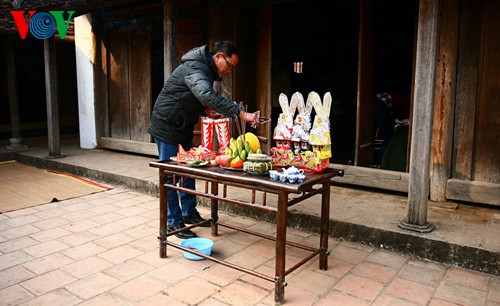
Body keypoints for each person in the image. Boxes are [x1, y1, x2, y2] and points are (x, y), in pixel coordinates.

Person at [148, 41, 260, 239]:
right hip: (166, 125)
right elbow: (205, 94)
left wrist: (206, 110)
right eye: (229, 65)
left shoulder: (203, 69)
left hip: (181, 124)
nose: (229, 70)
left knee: (189, 169)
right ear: (218, 56)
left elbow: (194, 96)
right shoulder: (196, 66)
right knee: (170, 176)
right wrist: (241, 114)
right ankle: (173, 222)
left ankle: (189, 213)